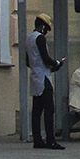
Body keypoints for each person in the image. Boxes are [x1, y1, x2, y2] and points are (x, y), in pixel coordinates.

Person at [27, 12, 65, 149]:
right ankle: (51, 140)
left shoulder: (29, 38)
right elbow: (45, 58)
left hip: (35, 77)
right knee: (49, 110)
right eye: (47, 30)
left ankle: (37, 140)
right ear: (43, 27)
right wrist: (57, 63)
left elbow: (28, 61)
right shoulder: (40, 39)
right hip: (44, 79)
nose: (46, 32)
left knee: (36, 111)